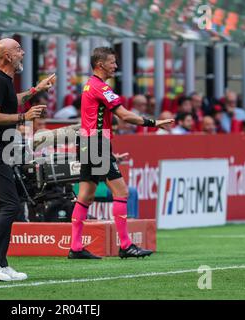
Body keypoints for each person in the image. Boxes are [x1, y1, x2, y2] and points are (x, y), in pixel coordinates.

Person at [69, 47, 173, 259]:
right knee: (121, 192)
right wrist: (154, 123)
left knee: (86, 195)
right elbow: (124, 115)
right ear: (100, 65)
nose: (115, 66)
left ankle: (76, 247)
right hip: (97, 143)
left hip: (89, 143)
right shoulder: (100, 87)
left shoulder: (89, 85)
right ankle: (125, 245)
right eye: (112, 62)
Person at [0, 38, 55, 282]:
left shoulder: (4, 80)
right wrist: (24, 117)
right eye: (18, 49)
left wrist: (35, 91)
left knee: (6, 206)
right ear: (7, 56)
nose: (23, 52)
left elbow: (10, 101)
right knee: (10, 206)